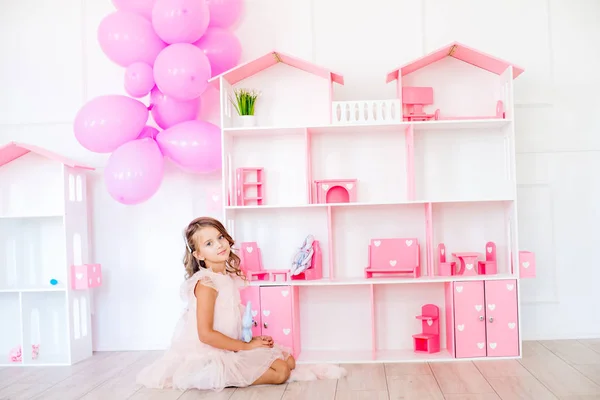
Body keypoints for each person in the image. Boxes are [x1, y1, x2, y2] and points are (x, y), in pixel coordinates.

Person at [136, 216, 296, 392]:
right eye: (209, 243)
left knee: (289, 361)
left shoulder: (227, 278)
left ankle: (241, 366)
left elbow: (229, 323)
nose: (219, 245)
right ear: (198, 254)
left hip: (229, 346)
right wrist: (247, 347)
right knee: (280, 372)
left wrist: (251, 341)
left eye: (220, 237)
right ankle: (217, 375)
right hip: (208, 353)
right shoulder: (206, 283)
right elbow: (206, 335)